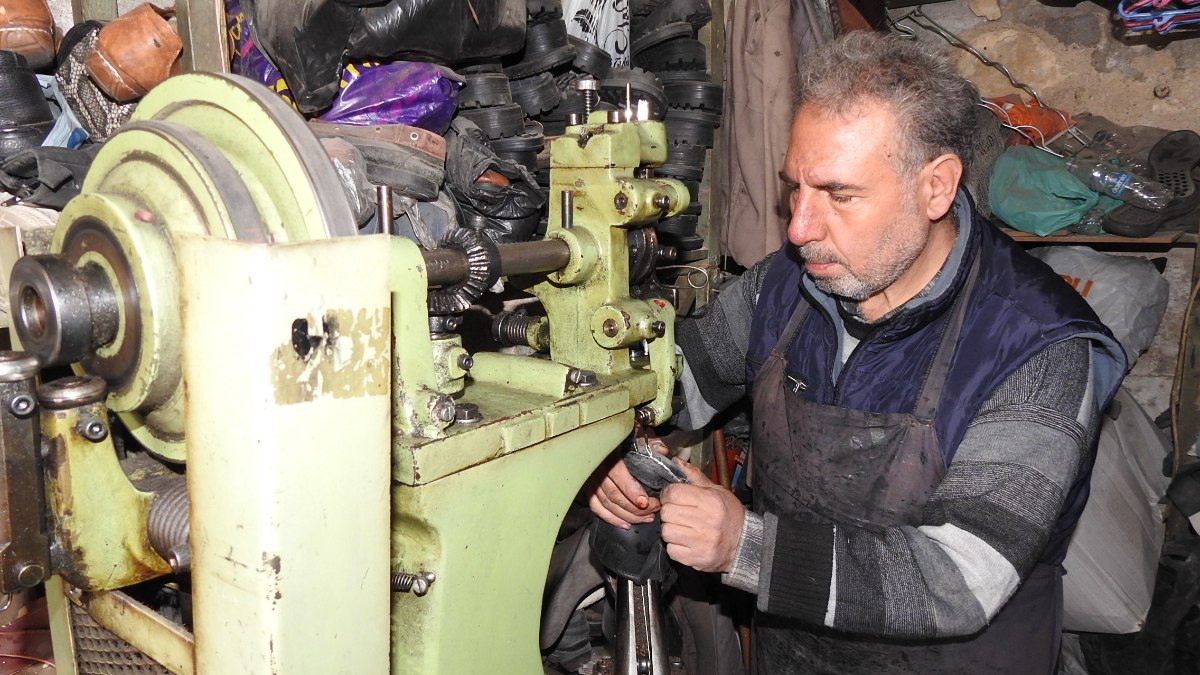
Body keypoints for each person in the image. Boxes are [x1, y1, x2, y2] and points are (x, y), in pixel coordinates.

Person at [588, 31, 1127, 674]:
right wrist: (609, 448)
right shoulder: (784, 285)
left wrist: (744, 547)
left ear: (937, 188)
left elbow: (960, 579)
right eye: (796, 188)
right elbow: (677, 384)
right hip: (796, 653)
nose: (798, 228)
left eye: (840, 195)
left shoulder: (1037, 347)